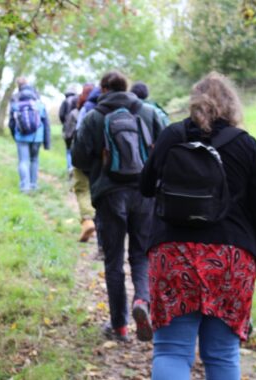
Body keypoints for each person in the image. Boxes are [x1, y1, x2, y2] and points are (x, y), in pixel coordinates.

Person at [140, 72, 256, 379]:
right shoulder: (247, 146)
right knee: (222, 354)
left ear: (194, 102)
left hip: (173, 254)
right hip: (231, 259)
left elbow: (146, 187)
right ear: (232, 106)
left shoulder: (171, 135)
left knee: (171, 351)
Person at [72, 71, 165, 342]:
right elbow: (166, 146)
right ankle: (142, 301)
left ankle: (119, 327)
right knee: (141, 254)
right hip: (145, 193)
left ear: (103, 89)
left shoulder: (93, 117)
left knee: (113, 260)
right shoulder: (147, 112)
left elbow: (78, 158)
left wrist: (98, 163)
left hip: (109, 194)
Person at [8, 79, 51, 193]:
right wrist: (47, 143)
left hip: (21, 137)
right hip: (37, 137)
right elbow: (46, 124)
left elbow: (11, 123)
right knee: (34, 160)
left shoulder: (15, 105)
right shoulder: (40, 105)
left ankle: (24, 187)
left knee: (23, 161)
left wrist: (14, 136)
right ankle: (33, 185)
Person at [72, 83, 99, 243]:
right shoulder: (112, 109)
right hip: (104, 159)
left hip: (85, 158)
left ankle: (88, 220)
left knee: (82, 189)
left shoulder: (86, 108)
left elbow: (78, 133)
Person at [59, 85, 79, 175]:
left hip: (67, 129)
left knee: (68, 150)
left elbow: (61, 115)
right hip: (77, 128)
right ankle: (75, 169)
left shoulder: (65, 102)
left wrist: (65, 123)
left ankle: (70, 168)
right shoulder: (78, 100)